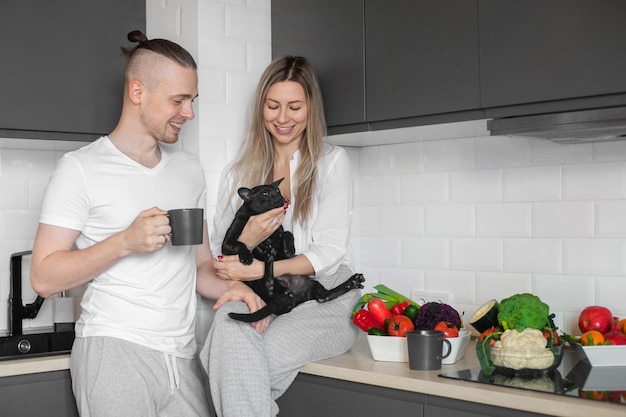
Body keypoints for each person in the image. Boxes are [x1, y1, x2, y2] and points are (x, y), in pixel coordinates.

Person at [30, 30, 255, 417]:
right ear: (138, 92)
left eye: (192, 100)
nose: (189, 113)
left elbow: (199, 266)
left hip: (183, 357)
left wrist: (232, 287)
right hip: (114, 350)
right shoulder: (80, 169)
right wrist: (124, 242)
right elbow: (44, 277)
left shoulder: (188, 172)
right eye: (178, 100)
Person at [200, 55, 360, 417]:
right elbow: (220, 254)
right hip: (262, 293)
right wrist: (250, 241)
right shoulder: (240, 170)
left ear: (311, 108)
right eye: (273, 106)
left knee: (228, 362)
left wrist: (258, 271)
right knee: (227, 334)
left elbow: (329, 251)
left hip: (323, 297)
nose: (283, 118)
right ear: (261, 108)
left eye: (294, 107)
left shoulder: (332, 163)